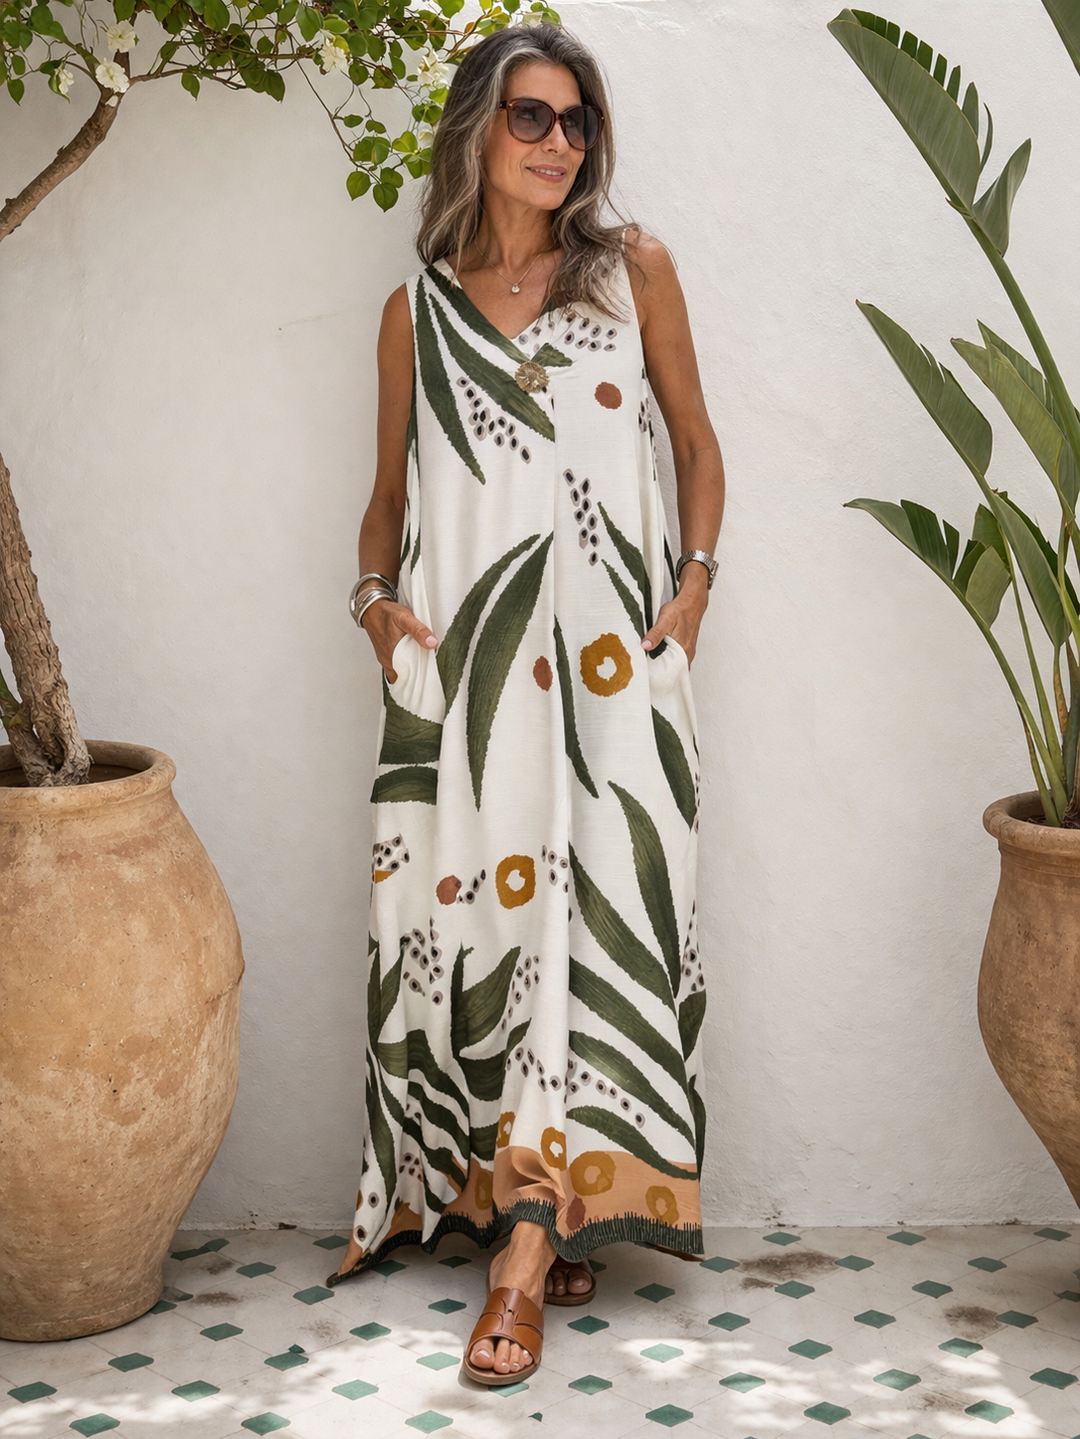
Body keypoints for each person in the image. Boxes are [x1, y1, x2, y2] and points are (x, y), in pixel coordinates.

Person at [330, 19, 725, 1387]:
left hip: (614, 686)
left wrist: (692, 594)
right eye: (532, 117)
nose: (560, 142)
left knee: (589, 934)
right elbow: (385, 499)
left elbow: (696, 445)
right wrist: (374, 604)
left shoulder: (631, 274)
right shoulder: (417, 316)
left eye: (577, 121)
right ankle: (538, 1205)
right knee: (495, 934)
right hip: (476, 688)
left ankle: (521, 1262)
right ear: (478, 131)